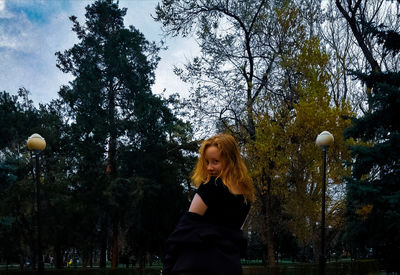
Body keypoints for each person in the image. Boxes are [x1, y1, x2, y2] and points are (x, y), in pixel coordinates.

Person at [163, 133, 255, 275]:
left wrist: (168, 266)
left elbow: (183, 230)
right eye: (206, 162)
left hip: (196, 265)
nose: (210, 167)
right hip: (229, 266)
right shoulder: (246, 194)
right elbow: (235, 234)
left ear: (231, 160)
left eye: (215, 161)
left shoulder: (211, 187)